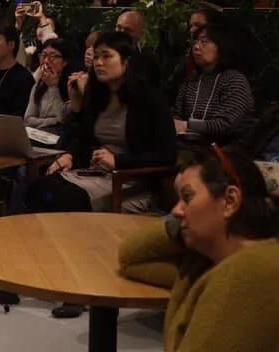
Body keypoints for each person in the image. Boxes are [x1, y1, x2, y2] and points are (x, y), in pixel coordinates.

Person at [118, 146, 279, 352]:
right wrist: (183, 225)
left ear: (230, 201)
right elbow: (131, 259)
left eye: (187, 198)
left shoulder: (249, 272)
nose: (176, 211)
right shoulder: (204, 264)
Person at [29, 31, 177, 213]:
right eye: (97, 56)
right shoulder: (98, 96)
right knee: (35, 189)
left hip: (130, 182)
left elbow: (167, 155)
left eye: (106, 56)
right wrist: (70, 154)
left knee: (59, 199)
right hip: (94, 174)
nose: (98, 63)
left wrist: (118, 161)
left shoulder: (149, 99)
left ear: (126, 61)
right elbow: (81, 138)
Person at [173, 24, 255, 147]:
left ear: (222, 47)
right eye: (195, 42)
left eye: (204, 42)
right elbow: (177, 115)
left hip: (224, 152)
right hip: (190, 146)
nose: (196, 47)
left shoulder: (235, 81)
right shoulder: (191, 81)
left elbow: (224, 124)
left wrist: (187, 125)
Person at [24, 39, 79, 133]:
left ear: (65, 62)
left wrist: (53, 87)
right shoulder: (39, 86)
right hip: (39, 134)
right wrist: (53, 121)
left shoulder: (73, 85)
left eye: (52, 56)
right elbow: (28, 119)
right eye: (43, 55)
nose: (46, 61)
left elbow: (63, 119)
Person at [115, 9, 162, 84]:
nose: (121, 33)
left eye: (127, 30)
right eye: (119, 27)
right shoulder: (103, 55)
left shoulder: (149, 61)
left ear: (141, 34)